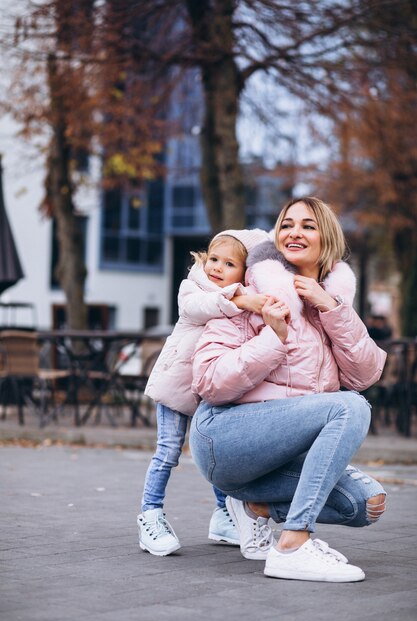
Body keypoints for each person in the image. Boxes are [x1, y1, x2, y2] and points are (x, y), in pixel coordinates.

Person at [190, 196, 387, 582]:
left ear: (326, 239)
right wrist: (273, 337)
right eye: (287, 224)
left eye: (308, 225)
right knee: (350, 407)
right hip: (222, 437)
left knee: (365, 504)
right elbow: (209, 383)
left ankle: (256, 507)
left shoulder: (330, 303)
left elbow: (365, 374)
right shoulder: (250, 294)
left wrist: (331, 308)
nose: (294, 232)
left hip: (278, 462)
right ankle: (293, 545)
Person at [138, 228, 270, 556]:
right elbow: (202, 307)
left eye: (228, 264)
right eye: (213, 259)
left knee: (216, 455)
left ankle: (224, 516)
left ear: (245, 272)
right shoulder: (193, 288)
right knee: (168, 451)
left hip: (209, 390)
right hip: (175, 387)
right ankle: (150, 514)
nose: (216, 267)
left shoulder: (242, 304)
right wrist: (240, 299)